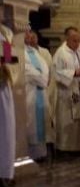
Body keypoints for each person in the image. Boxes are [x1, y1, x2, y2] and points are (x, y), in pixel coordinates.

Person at [53, 27, 80, 152]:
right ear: (67, 39)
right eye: (74, 41)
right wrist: (74, 73)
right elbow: (56, 73)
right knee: (67, 119)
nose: (77, 43)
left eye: (78, 40)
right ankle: (65, 147)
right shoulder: (60, 53)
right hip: (67, 91)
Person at [24, 30, 53, 160]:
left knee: (41, 122)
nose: (28, 36)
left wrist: (42, 78)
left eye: (29, 33)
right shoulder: (14, 49)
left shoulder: (34, 51)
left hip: (40, 91)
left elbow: (45, 67)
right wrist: (41, 78)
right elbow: (26, 70)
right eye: (25, 33)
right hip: (27, 91)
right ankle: (29, 155)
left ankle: (40, 154)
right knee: (30, 123)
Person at [1, 23, 16, 187]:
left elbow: (7, 59)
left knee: (5, 133)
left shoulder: (4, 34)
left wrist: (5, 67)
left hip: (2, 86)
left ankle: (4, 174)